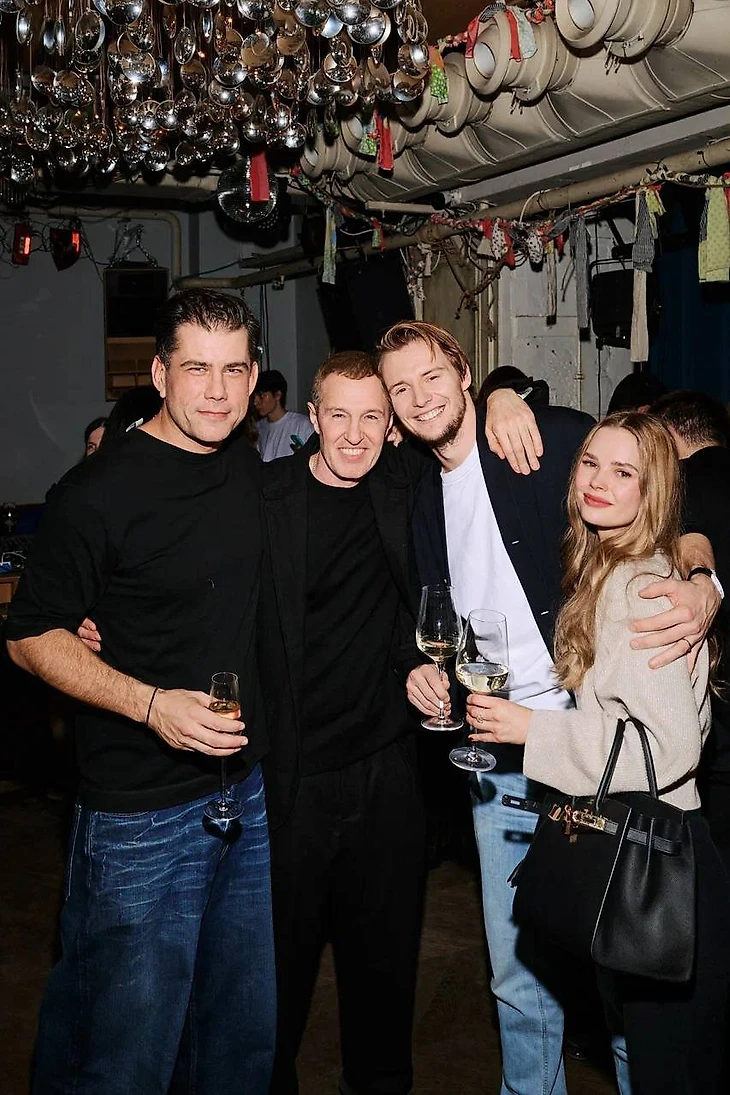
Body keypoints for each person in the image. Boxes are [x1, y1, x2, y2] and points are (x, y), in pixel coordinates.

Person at [376, 321, 719, 1095]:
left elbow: (672, 493)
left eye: (432, 375)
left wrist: (704, 579)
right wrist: (423, 671)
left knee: (625, 974)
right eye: (401, 388)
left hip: (596, 757)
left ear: (464, 371)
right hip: (498, 760)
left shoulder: (540, 439)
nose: (419, 397)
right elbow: (430, 616)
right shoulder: (419, 497)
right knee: (518, 975)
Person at [5, 289, 276, 1094]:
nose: (218, 391)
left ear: (255, 374)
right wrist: (153, 705)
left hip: (244, 794)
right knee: (124, 1053)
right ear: (159, 374)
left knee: (236, 1042)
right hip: (138, 820)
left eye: (235, 370)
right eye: (197, 369)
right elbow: (29, 636)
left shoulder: (247, 469)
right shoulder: (98, 492)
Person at [466, 413, 730, 1095]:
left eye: (623, 472)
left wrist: (531, 728)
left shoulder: (639, 587)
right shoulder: (617, 568)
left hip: (662, 869)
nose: (598, 482)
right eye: (590, 463)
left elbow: (670, 747)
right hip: (652, 852)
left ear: (653, 490)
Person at [258, 350, 428, 1095]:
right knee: (276, 977)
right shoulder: (265, 496)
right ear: (312, 417)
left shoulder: (402, 484)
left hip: (386, 770)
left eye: (371, 417)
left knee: (385, 970)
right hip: (290, 777)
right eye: (339, 415)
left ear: (392, 427)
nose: (354, 434)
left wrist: (505, 397)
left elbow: (474, 444)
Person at [652, 389, 730, 876]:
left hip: (716, 709)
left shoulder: (678, 485)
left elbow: (688, 544)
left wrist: (702, 579)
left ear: (670, 434)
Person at [253, 367, 314, 461]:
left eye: (261, 395)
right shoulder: (258, 428)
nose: (256, 402)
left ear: (277, 395)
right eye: (254, 397)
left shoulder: (302, 425)